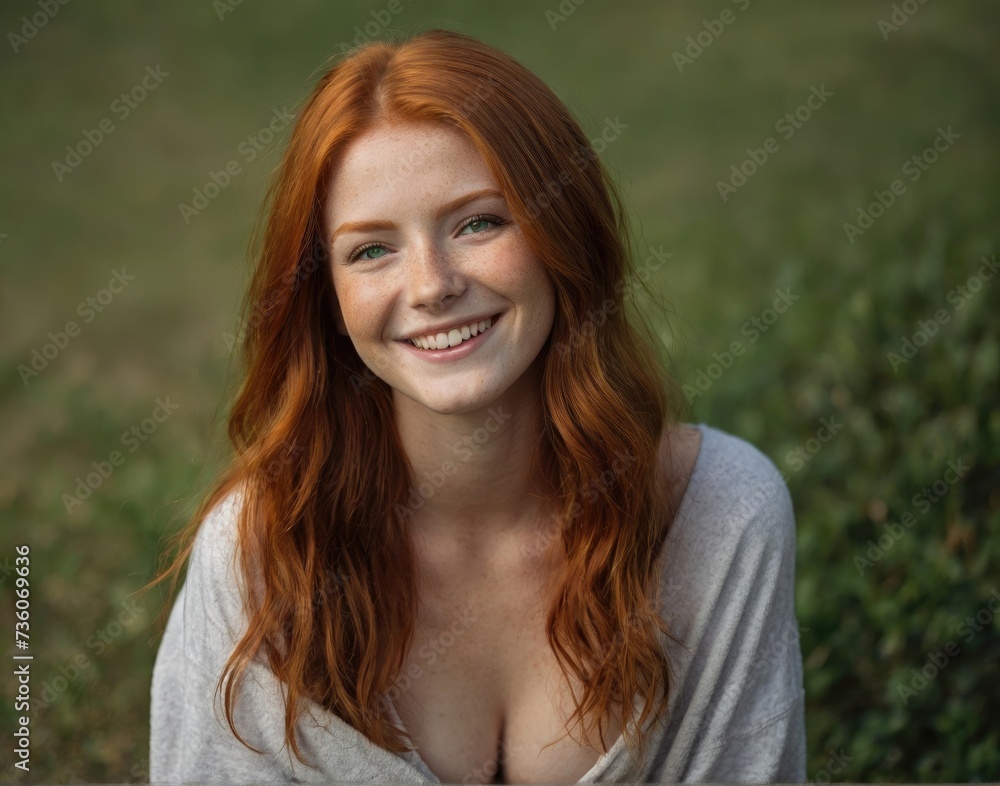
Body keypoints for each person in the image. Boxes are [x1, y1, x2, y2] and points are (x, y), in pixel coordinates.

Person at [147, 27, 806, 783]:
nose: (431, 286)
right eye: (371, 249)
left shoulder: (722, 516)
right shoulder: (264, 553)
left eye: (478, 223)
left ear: (565, 236)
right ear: (327, 300)